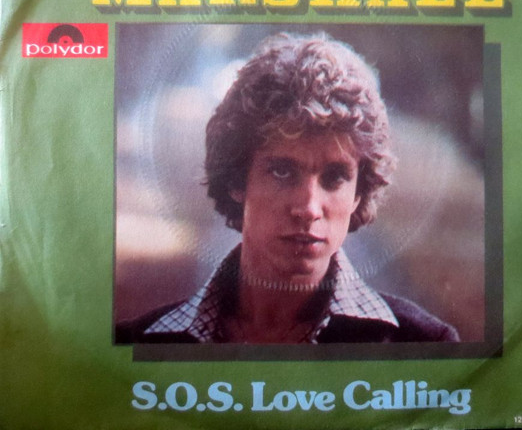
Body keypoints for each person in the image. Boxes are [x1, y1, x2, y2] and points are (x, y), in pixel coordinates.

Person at [116, 33, 459, 344]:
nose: (309, 208)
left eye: (334, 177)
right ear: (237, 180)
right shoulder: (138, 343)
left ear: (359, 193)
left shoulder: (424, 344)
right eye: (282, 172)